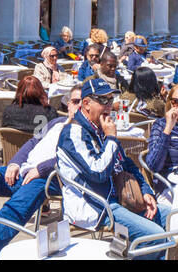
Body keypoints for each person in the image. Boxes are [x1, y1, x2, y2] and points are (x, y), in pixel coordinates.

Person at [56, 77, 167, 255]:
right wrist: (112, 139)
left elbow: (129, 165)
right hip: (98, 206)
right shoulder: (73, 133)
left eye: (111, 100)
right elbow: (98, 172)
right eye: (103, 100)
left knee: (176, 219)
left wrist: (146, 191)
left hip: (124, 198)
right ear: (86, 103)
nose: (109, 105)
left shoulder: (101, 129)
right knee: (156, 236)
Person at [0, 87, 81, 258]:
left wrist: (42, 168)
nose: (79, 106)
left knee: (15, 207)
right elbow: (32, 142)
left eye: (84, 102)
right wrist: (14, 163)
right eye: (75, 101)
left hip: (52, 178)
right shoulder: (56, 122)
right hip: (25, 171)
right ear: (68, 105)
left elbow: (73, 158)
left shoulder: (84, 132)